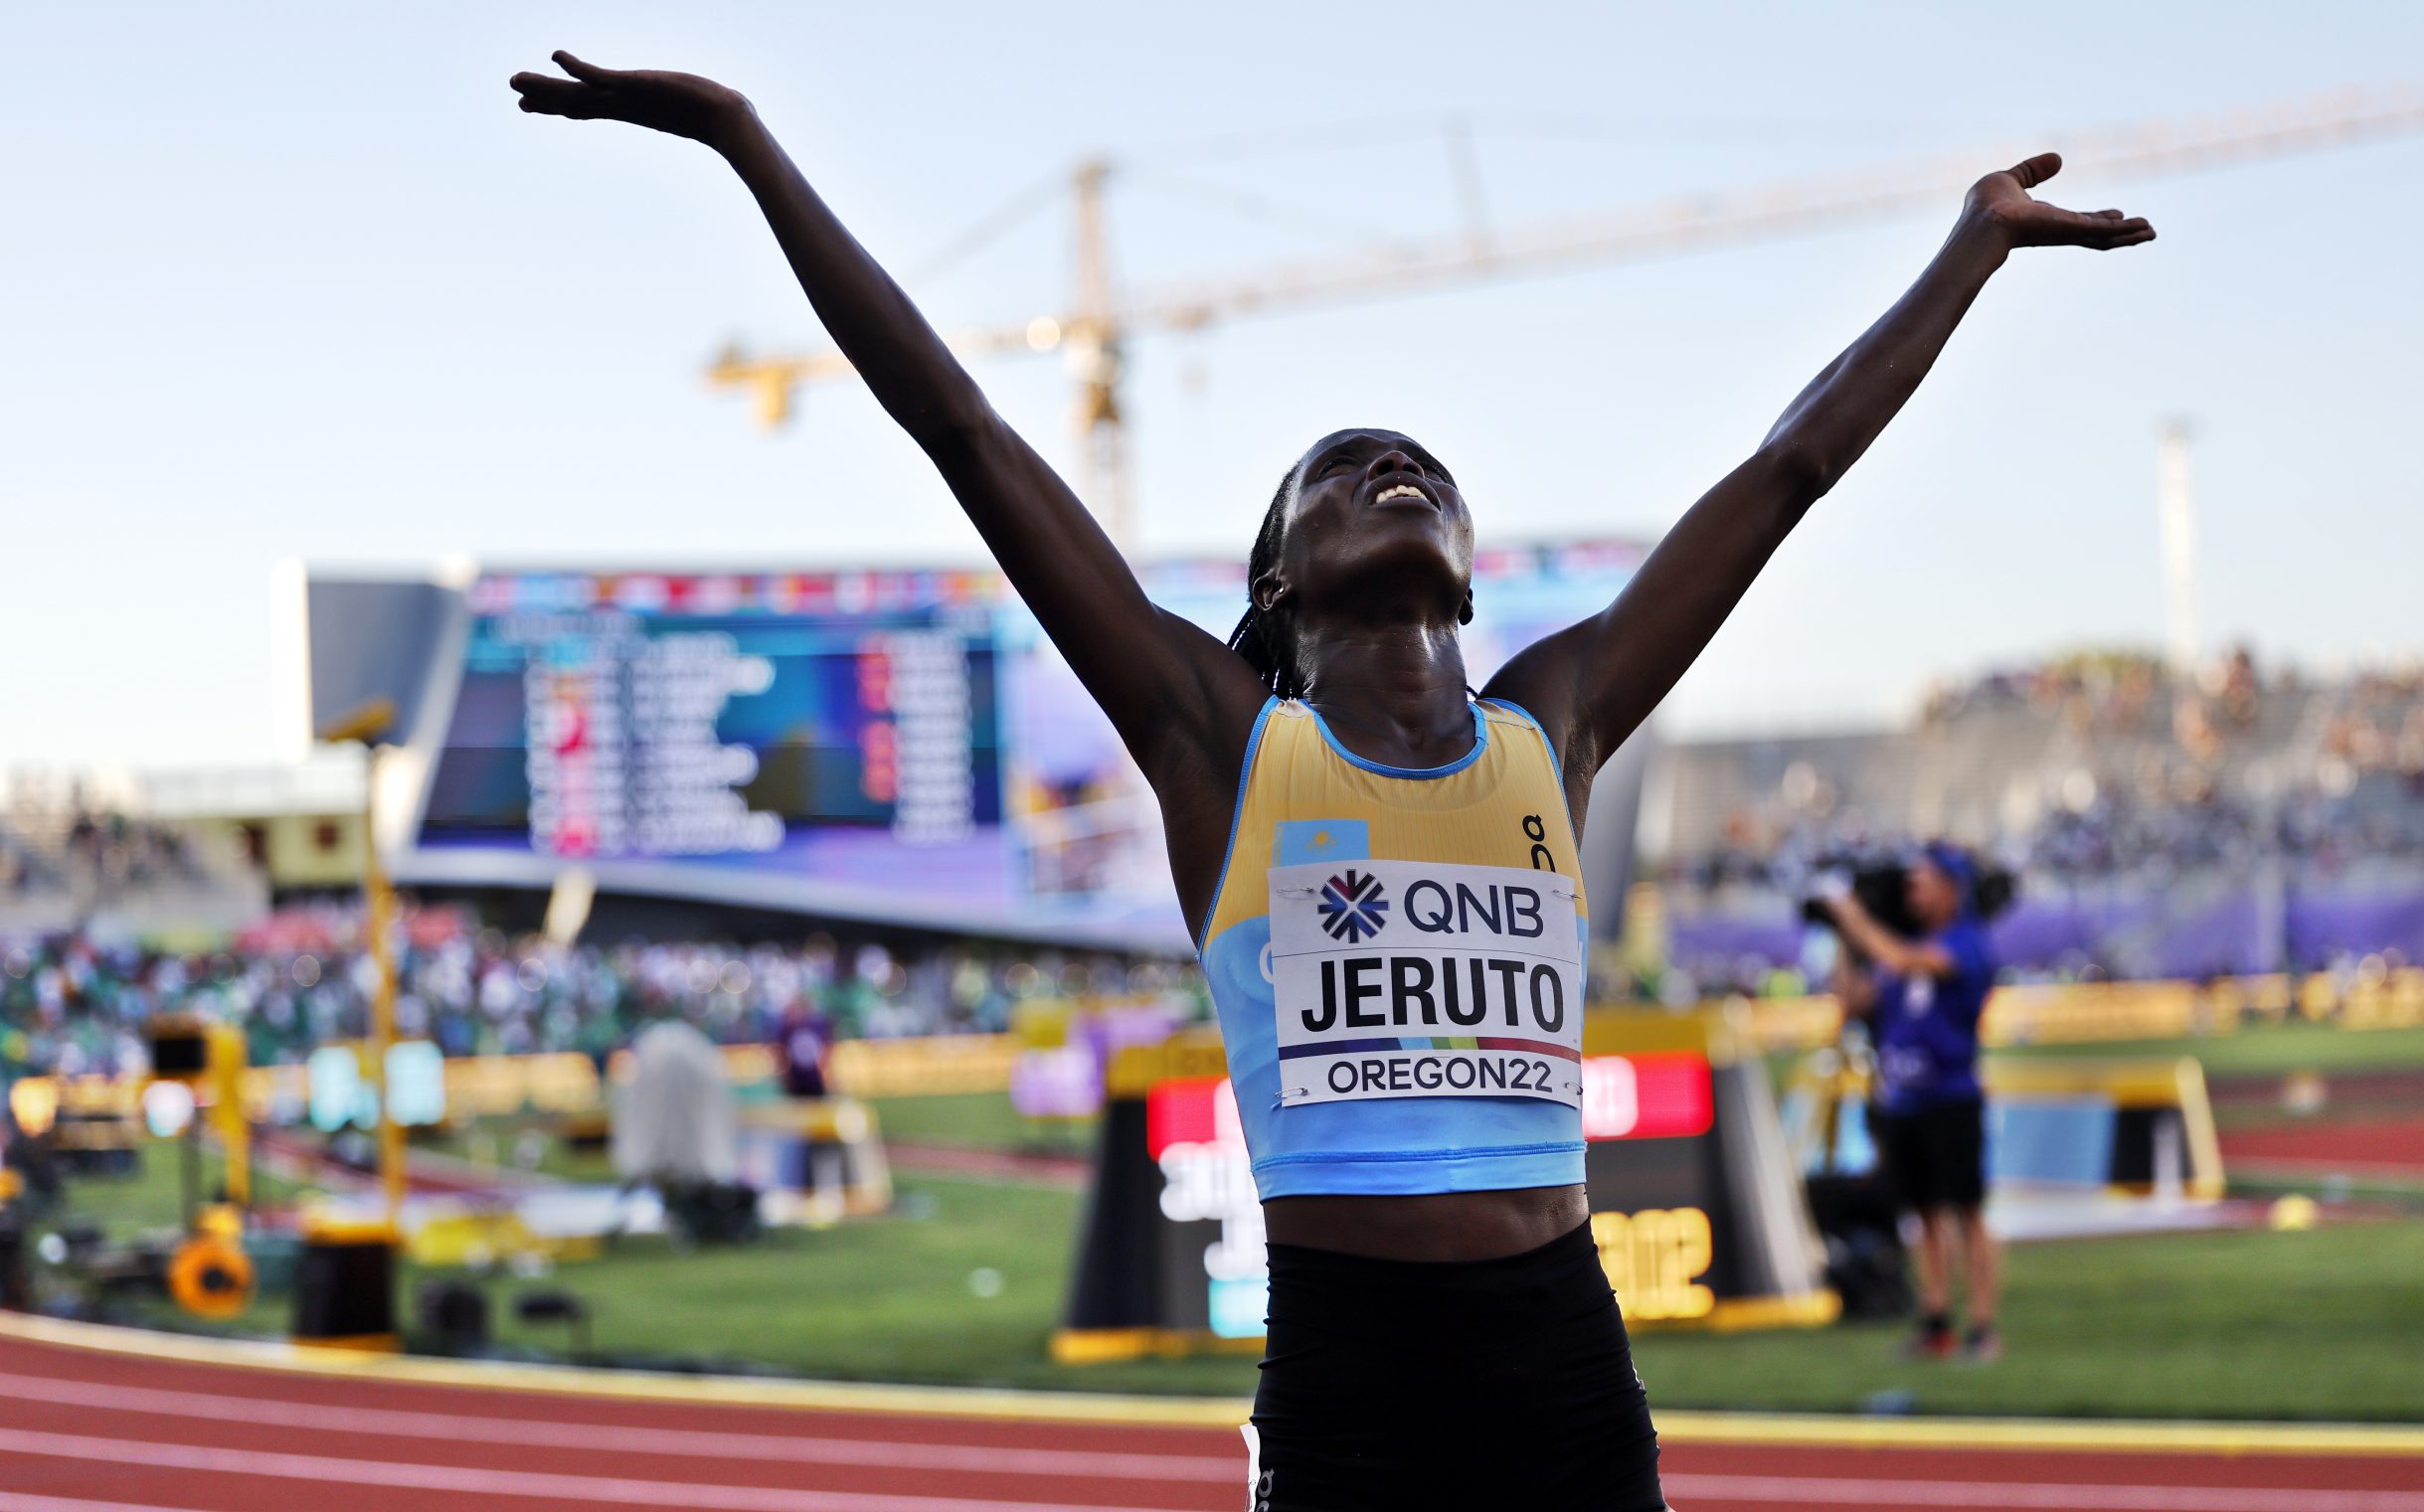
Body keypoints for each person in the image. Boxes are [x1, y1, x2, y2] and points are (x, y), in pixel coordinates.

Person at [511, 53, 2149, 1510]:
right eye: (1339, 473)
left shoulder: (1550, 726)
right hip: (1352, 1384)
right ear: (1281, 587)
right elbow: (969, 431)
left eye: (1422, 467)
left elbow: (1789, 470)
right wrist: (749, 144)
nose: (1396, 467)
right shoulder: (1227, 743)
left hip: (1568, 1362)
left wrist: (1969, 250)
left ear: (1463, 568)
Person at [1822, 844, 2002, 1362]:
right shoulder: (1904, 946)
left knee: (1968, 1214)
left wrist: (1853, 916)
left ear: (1952, 890)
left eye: (1923, 882)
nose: (1912, 892)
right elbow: (1849, 1004)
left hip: (1951, 1098)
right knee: (1922, 1216)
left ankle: (1984, 1328)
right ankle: (1937, 1321)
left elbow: (1901, 960)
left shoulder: (1965, 943)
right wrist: (1843, 937)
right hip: (1903, 1102)